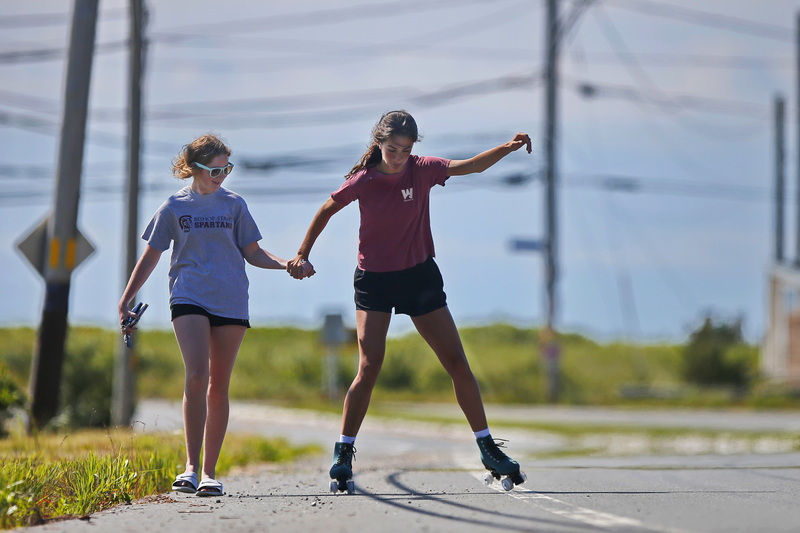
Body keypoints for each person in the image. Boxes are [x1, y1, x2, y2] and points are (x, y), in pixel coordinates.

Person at [287, 110, 531, 493]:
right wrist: (302, 254)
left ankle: (487, 447)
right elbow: (326, 209)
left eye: (405, 149)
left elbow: (471, 167)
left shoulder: (423, 169)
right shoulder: (364, 180)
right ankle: (343, 453)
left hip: (419, 276)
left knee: (457, 363)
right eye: (391, 148)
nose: (398, 156)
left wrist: (507, 147)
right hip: (375, 282)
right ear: (378, 144)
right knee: (369, 366)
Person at [118, 133, 313, 497]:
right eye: (214, 170)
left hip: (231, 299)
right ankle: (190, 467)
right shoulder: (173, 207)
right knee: (197, 374)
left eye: (227, 169)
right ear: (193, 168)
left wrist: (287, 263)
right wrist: (126, 298)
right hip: (188, 293)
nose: (221, 176)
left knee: (218, 384)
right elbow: (152, 254)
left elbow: (253, 253)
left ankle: (209, 472)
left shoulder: (234, 205)